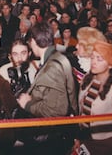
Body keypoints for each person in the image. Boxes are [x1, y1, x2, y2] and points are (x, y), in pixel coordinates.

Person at [17, 21, 78, 154]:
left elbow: (56, 111)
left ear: (33, 41)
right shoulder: (57, 57)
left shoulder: (52, 67)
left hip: (53, 137)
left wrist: (27, 104)